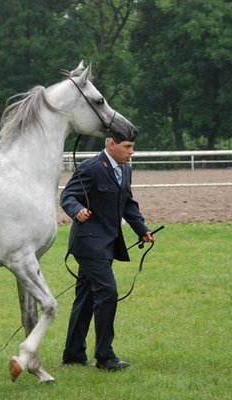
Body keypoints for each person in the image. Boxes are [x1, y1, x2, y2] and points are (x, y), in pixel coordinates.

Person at [60, 136, 154, 370]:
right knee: (107, 292)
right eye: (127, 147)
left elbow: (128, 204)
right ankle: (105, 356)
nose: (131, 152)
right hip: (88, 244)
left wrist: (142, 229)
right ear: (111, 144)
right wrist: (77, 210)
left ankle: (73, 354)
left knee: (86, 297)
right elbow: (67, 196)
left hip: (106, 243)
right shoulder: (90, 168)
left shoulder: (125, 169)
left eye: (133, 147)